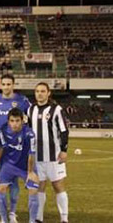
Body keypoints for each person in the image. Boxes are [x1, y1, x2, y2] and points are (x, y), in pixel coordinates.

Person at [0, 74, 31, 222]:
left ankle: (12, 213)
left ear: (13, 85)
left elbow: (30, 116)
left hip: (14, 146)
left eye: (8, 84)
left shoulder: (22, 101)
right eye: (3, 84)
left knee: (14, 181)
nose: (6, 87)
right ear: (0, 85)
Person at [28, 82, 69, 223]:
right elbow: (28, 131)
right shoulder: (30, 109)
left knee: (58, 186)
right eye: (37, 91)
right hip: (37, 157)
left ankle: (64, 218)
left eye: (43, 91)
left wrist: (64, 150)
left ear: (48, 93)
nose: (40, 93)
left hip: (54, 156)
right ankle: (39, 218)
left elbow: (64, 130)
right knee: (40, 187)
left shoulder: (56, 109)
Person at [0, 108, 40, 223]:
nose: (14, 124)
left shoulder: (29, 134)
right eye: (12, 121)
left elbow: (32, 154)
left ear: (22, 121)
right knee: (0, 189)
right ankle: (4, 220)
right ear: (8, 121)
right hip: (9, 165)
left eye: (17, 121)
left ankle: (32, 221)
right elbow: (2, 147)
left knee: (33, 190)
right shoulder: (3, 130)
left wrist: (30, 172)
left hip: (26, 166)